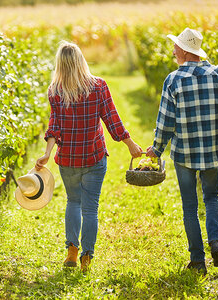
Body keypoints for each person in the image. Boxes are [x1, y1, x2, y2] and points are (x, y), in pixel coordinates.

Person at [146, 28, 218, 275]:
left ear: (186, 51)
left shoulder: (173, 80)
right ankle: (216, 243)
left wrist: (156, 150)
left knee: (190, 205)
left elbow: (165, 122)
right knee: (211, 198)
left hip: (184, 152)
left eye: (176, 46)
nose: (174, 50)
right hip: (212, 149)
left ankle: (198, 261)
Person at [35, 41, 142, 272]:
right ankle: (87, 256)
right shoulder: (98, 86)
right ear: (81, 60)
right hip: (93, 157)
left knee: (73, 202)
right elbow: (112, 120)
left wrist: (47, 153)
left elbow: (54, 125)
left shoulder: (54, 91)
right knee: (90, 209)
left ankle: (71, 251)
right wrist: (130, 143)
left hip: (68, 159)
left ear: (60, 65)